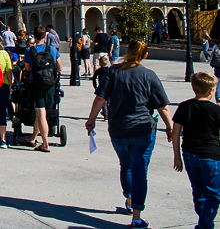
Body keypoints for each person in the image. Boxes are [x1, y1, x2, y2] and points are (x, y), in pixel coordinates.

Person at [85, 39, 173, 229]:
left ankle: (130, 199)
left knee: (126, 165)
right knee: (140, 171)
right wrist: (170, 126)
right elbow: (162, 106)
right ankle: (137, 217)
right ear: (145, 55)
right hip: (143, 129)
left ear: (127, 51)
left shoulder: (113, 72)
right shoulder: (149, 75)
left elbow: (100, 97)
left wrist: (91, 119)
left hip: (118, 129)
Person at [172, 71, 220, 229]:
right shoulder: (215, 110)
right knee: (213, 193)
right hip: (211, 155)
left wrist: (177, 156)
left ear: (193, 87)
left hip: (189, 154)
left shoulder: (185, 106)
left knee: (198, 192)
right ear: (211, 91)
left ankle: (204, 221)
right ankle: (204, 225)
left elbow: (176, 133)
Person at [22, 26, 62, 152]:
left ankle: (45, 144)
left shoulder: (30, 51)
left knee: (41, 114)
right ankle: (33, 137)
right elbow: (59, 66)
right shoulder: (52, 49)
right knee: (43, 112)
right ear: (45, 36)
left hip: (37, 84)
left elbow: (28, 68)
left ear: (34, 36)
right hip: (50, 84)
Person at [92, 55, 110, 120]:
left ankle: (105, 114)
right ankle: (108, 113)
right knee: (108, 102)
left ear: (100, 63)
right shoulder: (109, 70)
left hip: (101, 87)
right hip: (109, 87)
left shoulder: (99, 70)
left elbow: (94, 78)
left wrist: (95, 87)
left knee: (103, 102)